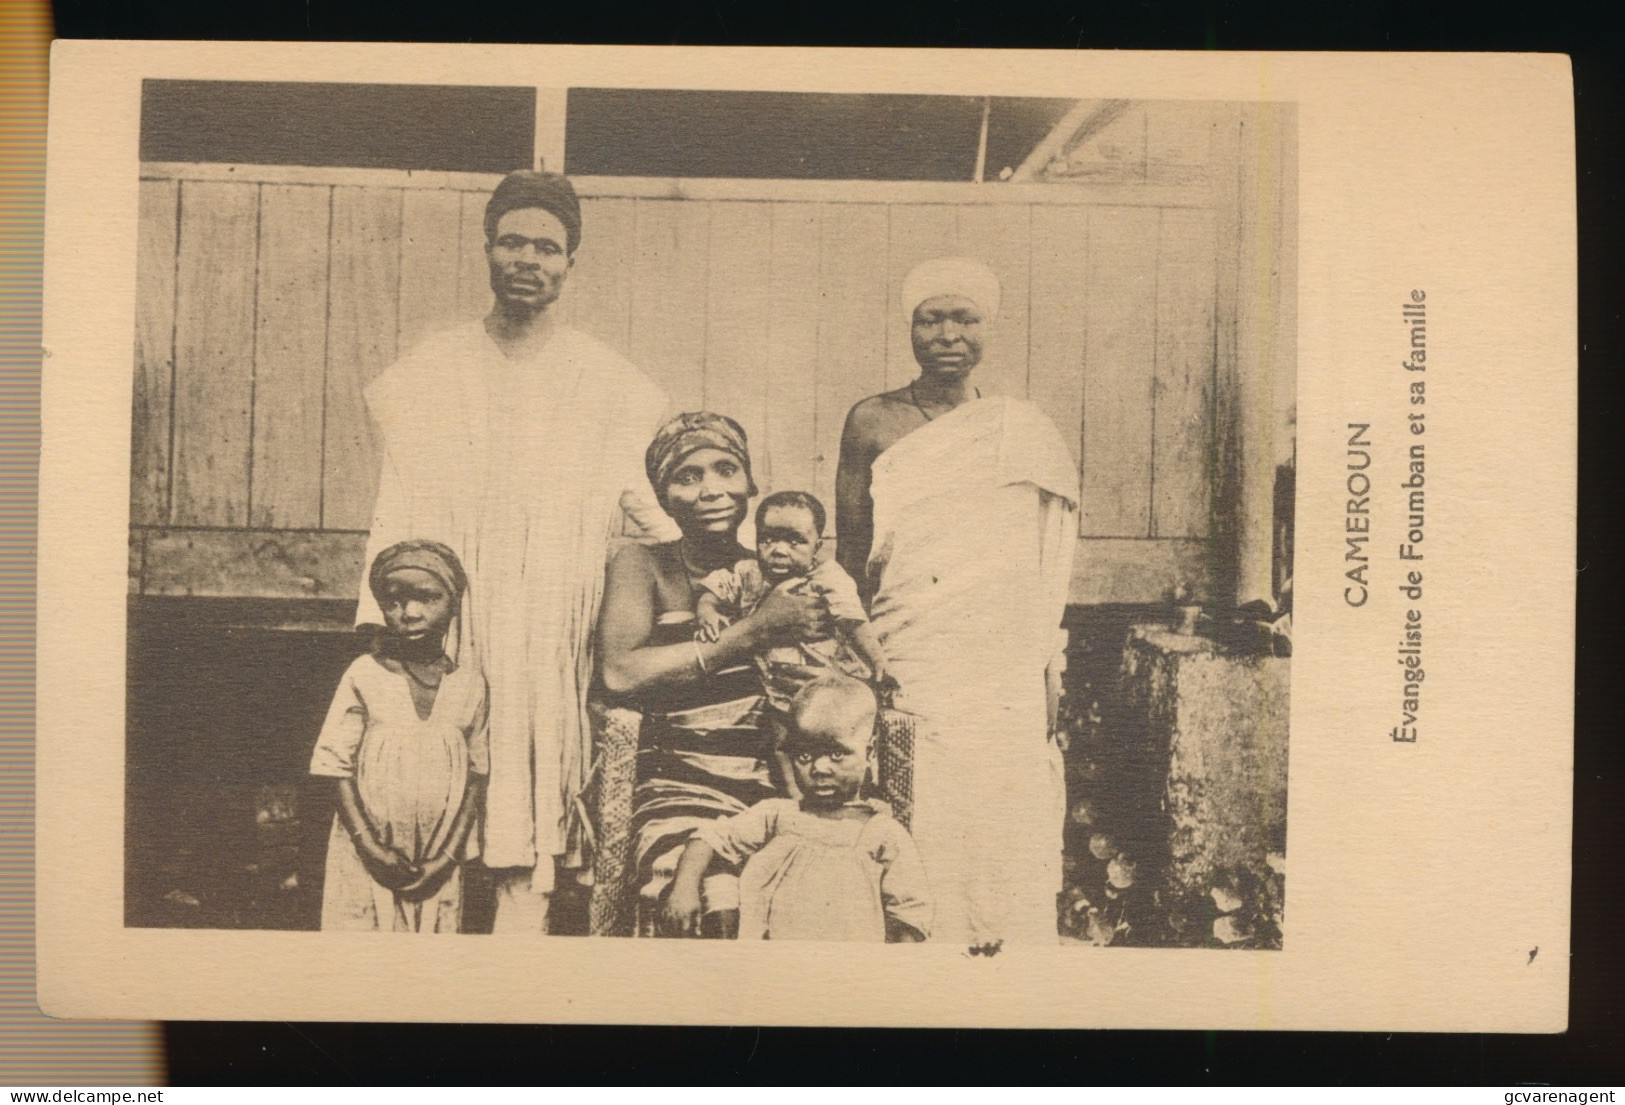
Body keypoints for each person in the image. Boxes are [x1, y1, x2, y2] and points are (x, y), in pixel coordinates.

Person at [356, 171, 677, 932]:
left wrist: (701, 565)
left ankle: (515, 956)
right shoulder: (429, 372)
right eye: (512, 241)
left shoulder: (610, 383)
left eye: (546, 246)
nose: (527, 259)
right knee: (436, 771)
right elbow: (396, 502)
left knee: (532, 784)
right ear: (487, 248)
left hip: (548, 620)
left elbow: (643, 504)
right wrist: (380, 625)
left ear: (570, 264)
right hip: (453, 617)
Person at [834, 256, 1080, 945]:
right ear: (909, 328)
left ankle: (1001, 958)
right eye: (930, 318)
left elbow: (1040, 559)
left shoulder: (1020, 431)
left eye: (963, 318)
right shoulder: (872, 420)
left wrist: (1041, 664)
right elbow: (852, 556)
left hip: (999, 660)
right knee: (924, 798)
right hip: (913, 646)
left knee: (1000, 803)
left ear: (987, 329)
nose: (947, 333)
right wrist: (863, 656)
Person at [596, 412, 833, 937]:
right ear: (662, 495)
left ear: (750, 483)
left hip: (772, 781)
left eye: (726, 470)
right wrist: (751, 633)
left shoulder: (777, 568)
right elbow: (618, 673)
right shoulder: (644, 565)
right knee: (694, 888)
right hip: (678, 780)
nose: (711, 491)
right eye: (687, 476)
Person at [662, 676, 931, 943]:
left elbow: (909, 912)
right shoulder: (778, 815)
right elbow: (710, 837)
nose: (820, 769)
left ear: (869, 753)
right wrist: (684, 888)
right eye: (805, 756)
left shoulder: (882, 832)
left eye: (837, 754)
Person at [311, 540, 488, 933]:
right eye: (394, 601)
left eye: (427, 598)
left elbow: (477, 775)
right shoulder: (365, 675)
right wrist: (371, 849)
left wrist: (446, 858)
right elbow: (333, 767)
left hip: (436, 858)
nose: (409, 613)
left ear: (454, 603)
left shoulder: (469, 686)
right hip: (368, 855)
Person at [693, 489, 897, 797]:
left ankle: (851, 798)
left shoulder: (829, 576)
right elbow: (715, 589)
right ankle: (797, 801)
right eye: (768, 539)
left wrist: (879, 663)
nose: (778, 550)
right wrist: (707, 611)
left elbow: (853, 621)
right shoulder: (749, 572)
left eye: (794, 541)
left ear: (817, 544)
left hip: (828, 686)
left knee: (838, 743)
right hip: (778, 691)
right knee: (781, 744)